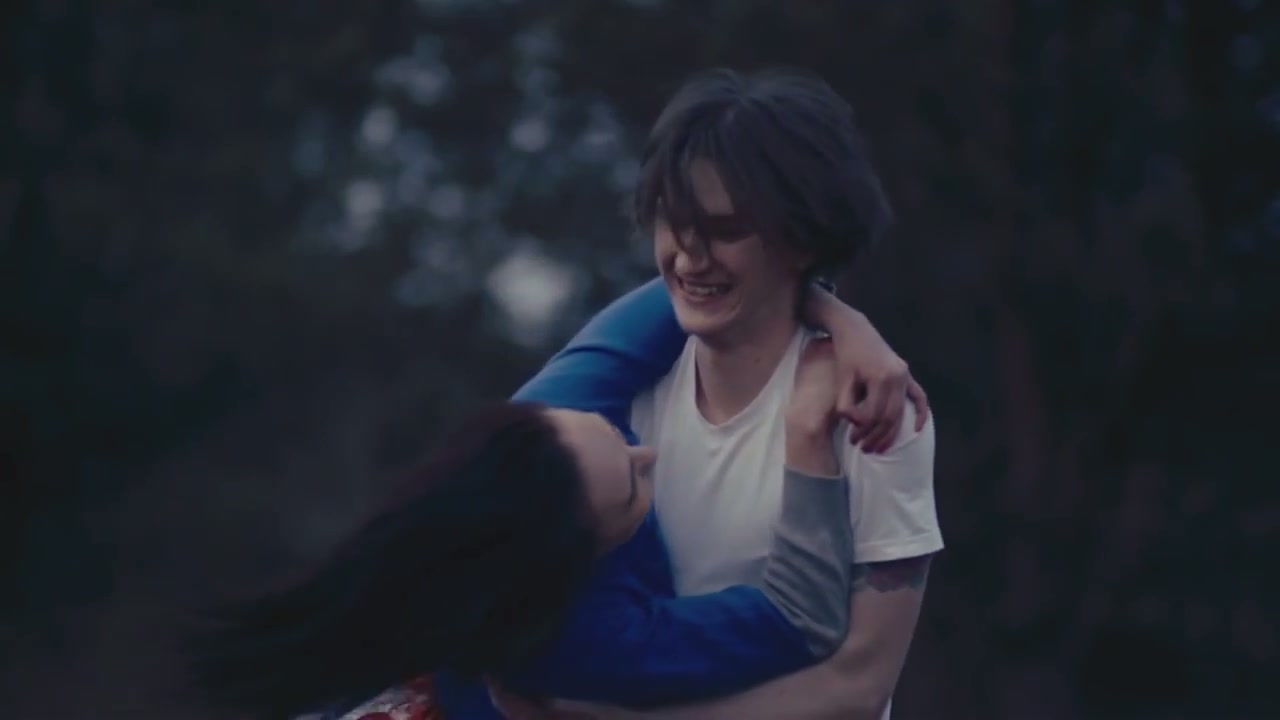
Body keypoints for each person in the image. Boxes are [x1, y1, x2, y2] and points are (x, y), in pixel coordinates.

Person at [188, 279, 919, 719]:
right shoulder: (586, 639)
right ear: (580, 556)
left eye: (617, 436)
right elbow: (801, 617)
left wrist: (846, 323)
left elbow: (692, 289)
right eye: (632, 485)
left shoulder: (548, 428)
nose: (649, 454)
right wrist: (805, 435)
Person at [487, 67, 943, 719]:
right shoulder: (618, 400)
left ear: (802, 238)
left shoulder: (873, 413)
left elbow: (858, 686)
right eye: (673, 222)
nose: (688, 258)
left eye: (726, 230)